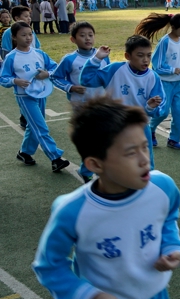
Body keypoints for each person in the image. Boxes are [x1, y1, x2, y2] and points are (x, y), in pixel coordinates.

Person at [32, 96, 180, 299]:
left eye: (144, 146)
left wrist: (172, 246)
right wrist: (87, 296)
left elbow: (168, 218)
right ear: (95, 164)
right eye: (131, 153)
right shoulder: (72, 212)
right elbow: (49, 264)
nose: (144, 159)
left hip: (156, 297)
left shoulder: (162, 187)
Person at [80, 35, 166, 171]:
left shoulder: (152, 77)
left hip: (140, 125)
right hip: (114, 125)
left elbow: (159, 108)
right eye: (140, 55)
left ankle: (145, 188)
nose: (146, 60)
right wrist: (97, 58)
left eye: (149, 55)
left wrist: (150, 107)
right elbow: (86, 79)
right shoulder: (114, 69)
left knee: (146, 161)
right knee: (113, 160)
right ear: (127, 56)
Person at [0, 22, 71, 172]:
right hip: (24, 96)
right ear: (14, 37)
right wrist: (15, 81)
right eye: (23, 35)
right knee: (40, 127)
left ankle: (25, 153)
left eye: (30, 34)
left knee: (34, 127)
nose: (28, 38)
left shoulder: (39, 53)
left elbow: (53, 67)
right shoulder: (11, 57)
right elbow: (3, 78)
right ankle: (55, 158)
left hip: (41, 93)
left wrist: (48, 74)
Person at [51, 21, 111, 182]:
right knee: (91, 140)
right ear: (73, 39)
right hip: (80, 106)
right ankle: (90, 169)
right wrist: (70, 87)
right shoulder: (69, 59)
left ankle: (87, 169)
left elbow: (109, 77)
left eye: (90, 35)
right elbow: (55, 78)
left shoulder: (103, 56)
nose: (87, 39)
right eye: (82, 36)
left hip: (101, 105)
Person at [135, 13, 180, 150]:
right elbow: (156, 65)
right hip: (164, 83)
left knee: (179, 113)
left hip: (179, 83)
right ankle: (150, 129)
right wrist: (172, 70)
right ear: (173, 27)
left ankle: (173, 140)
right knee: (163, 112)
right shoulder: (165, 42)